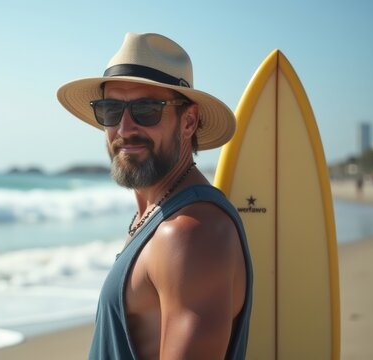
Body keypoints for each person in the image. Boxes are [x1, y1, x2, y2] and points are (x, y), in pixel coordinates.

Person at [57, 33, 253, 360]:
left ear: (188, 120)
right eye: (111, 109)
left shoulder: (189, 232)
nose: (124, 128)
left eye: (146, 109)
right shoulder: (157, 216)